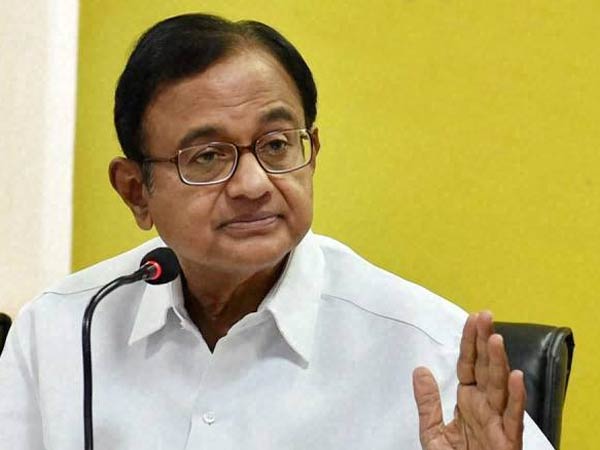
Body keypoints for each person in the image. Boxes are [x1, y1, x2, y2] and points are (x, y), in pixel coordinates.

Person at [0, 13, 554, 450]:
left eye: (276, 145)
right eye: (208, 156)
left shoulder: (429, 351)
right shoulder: (60, 330)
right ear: (135, 191)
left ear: (312, 154)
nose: (252, 184)